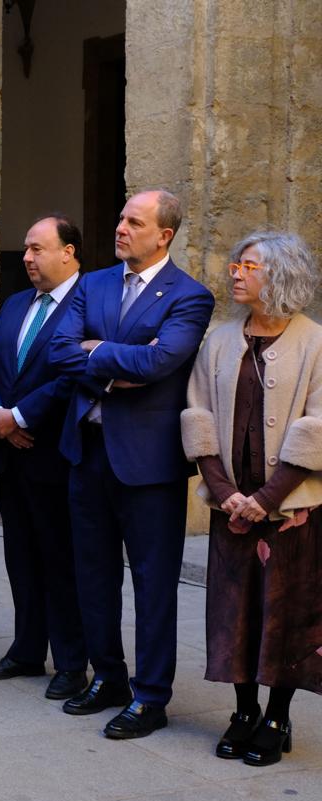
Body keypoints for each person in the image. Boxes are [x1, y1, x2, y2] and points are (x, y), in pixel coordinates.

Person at [49, 189, 215, 738]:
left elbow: (163, 360)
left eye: (133, 221)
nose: (120, 227)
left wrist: (96, 352)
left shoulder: (189, 296)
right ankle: (109, 678)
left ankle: (150, 696)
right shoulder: (92, 283)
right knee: (92, 575)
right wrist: (118, 364)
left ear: (163, 235)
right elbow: (59, 350)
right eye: (120, 217)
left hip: (149, 466)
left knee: (153, 583)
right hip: (87, 453)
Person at [181, 231, 322, 766]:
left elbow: (318, 425)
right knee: (234, 611)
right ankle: (243, 711)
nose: (235, 273)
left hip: (291, 509)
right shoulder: (219, 340)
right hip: (231, 508)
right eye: (236, 264)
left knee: (286, 611)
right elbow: (198, 416)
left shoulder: (315, 341)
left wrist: (266, 497)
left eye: (248, 266)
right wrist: (225, 493)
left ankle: (278, 716)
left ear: (279, 274)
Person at [0, 215, 87, 700]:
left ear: (69, 252)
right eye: (25, 249)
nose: (26, 257)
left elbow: (75, 375)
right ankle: (26, 649)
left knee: (59, 559)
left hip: (55, 452)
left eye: (38, 248)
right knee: (19, 555)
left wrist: (22, 416)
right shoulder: (17, 303)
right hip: (10, 454)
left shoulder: (90, 304)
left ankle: (70, 662)